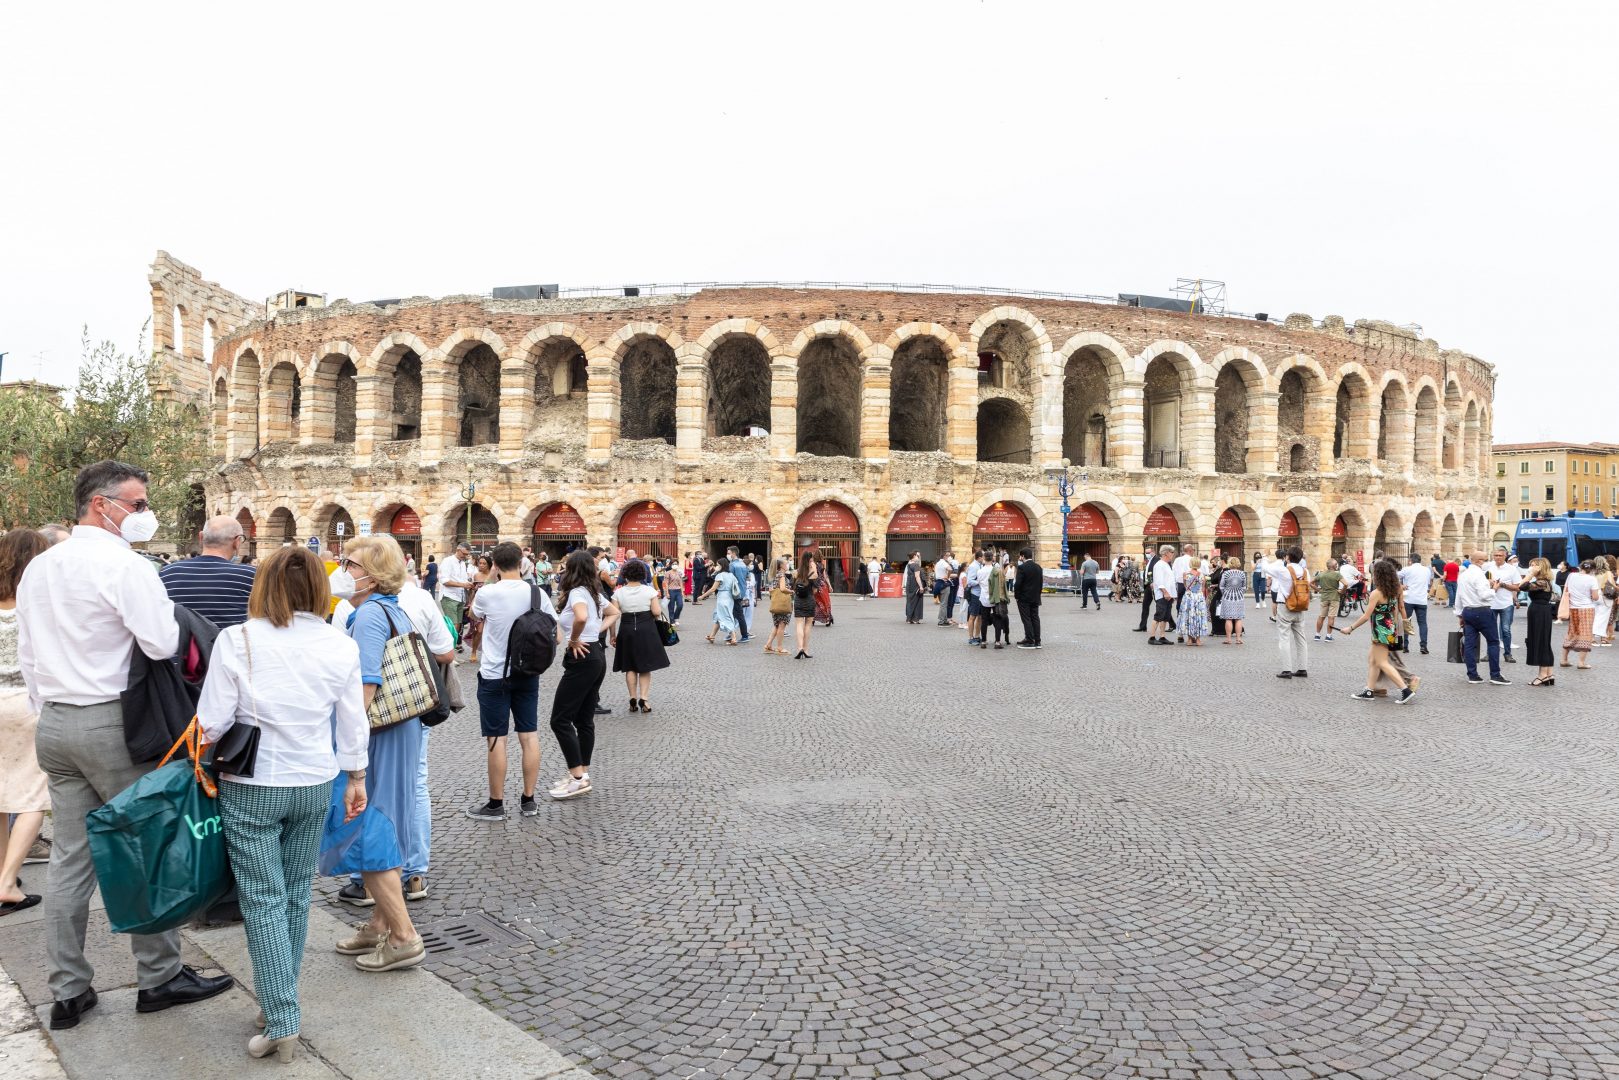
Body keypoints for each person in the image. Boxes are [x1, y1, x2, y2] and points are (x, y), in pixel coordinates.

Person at [17, 461, 234, 1027]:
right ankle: (159, 976)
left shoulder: (40, 566)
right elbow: (162, 642)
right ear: (101, 504)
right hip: (114, 722)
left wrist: (50, 709)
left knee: (70, 859)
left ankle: (68, 989)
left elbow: (29, 655)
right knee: (147, 844)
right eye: (137, 505)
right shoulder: (125, 565)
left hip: (57, 721)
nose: (145, 514)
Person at [194, 546, 369, 1060]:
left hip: (252, 783)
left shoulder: (238, 639)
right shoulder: (339, 644)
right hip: (314, 780)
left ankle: (281, 1017)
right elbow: (352, 720)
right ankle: (279, 999)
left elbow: (213, 721)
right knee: (294, 894)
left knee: (262, 899)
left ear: (264, 584)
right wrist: (356, 776)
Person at [330, 535, 426, 970]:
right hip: (399, 728)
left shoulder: (369, 614)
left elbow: (366, 683)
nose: (342, 570)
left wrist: (352, 742)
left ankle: (403, 937)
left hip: (378, 732)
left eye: (349, 564)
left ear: (371, 574)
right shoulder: (391, 608)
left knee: (370, 824)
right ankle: (378, 925)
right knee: (386, 819)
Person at [465, 542, 555, 822]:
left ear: (494, 565)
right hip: (527, 673)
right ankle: (529, 800)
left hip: (495, 674)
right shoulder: (537, 593)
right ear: (522, 563)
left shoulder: (488, 592)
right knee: (529, 736)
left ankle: (496, 804)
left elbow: (473, 615)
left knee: (496, 739)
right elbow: (555, 631)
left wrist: (490, 579)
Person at [1, 529, 51, 918]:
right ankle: (6, 882)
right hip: (24, 703)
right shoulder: (37, 604)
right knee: (33, 794)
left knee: (0, 796)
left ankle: (5, 878)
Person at [549, 550, 620, 801]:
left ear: (572, 570)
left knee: (560, 720)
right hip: (596, 654)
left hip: (582, 656)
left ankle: (577, 777)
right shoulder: (593, 593)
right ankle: (582, 774)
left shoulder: (578, 593)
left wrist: (575, 638)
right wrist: (596, 631)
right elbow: (614, 613)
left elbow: (581, 617)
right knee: (584, 719)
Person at [157, 515, 256, 628]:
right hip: (230, 639)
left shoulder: (168, 573)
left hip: (181, 639)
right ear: (237, 542)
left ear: (201, 537)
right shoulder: (251, 576)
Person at [1341, 557, 1414, 703]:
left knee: (1381, 663)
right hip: (1389, 628)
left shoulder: (1376, 593)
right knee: (1373, 660)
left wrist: (1350, 628)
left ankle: (1405, 690)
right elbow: (1398, 609)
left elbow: (1366, 616)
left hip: (1381, 630)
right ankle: (1369, 690)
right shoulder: (1396, 589)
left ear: (1378, 575)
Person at [612, 559, 669, 711]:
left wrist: (612, 634)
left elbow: (613, 615)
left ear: (625, 574)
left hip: (626, 628)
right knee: (645, 665)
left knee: (629, 665)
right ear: (642, 574)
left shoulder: (618, 593)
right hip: (646, 628)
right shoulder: (649, 591)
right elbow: (656, 612)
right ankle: (644, 698)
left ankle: (632, 697)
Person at [1454, 548, 1509, 686]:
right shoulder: (1479, 575)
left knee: (1470, 644)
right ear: (1479, 561)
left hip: (1467, 611)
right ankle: (1495, 675)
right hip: (1482, 610)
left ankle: (1472, 675)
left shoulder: (1463, 575)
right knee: (1493, 642)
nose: (1487, 562)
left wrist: (1459, 614)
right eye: (1486, 560)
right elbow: (1484, 595)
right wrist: (1494, 588)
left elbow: (1458, 596)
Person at [1271, 545, 1309, 679]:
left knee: (1284, 638)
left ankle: (1287, 669)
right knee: (1301, 638)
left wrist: (1263, 559)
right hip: (1300, 606)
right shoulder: (1305, 571)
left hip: (1285, 606)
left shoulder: (1284, 570)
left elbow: (1267, 569)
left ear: (1287, 557)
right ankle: (1302, 668)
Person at [1522, 558, 1558, 686]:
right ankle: (1549, 673)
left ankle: (1542, 675)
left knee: (1541, 641)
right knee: (1544, 641)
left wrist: (1530, 574)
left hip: (1540, 612)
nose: (1531, 567)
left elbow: (1522, 586)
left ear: (1541, 567)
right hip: (1540, 611)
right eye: (1530, 565)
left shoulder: (1542, 582)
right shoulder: (1543, 581)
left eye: (1534, 565)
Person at [1561, 559, 1602, 670]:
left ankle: (1564, 659)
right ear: (1593, 569)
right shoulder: (1592, 579)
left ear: (1581, 567)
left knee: (1571, 632)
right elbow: (1595, 597)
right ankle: (1581, 662)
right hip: (1587, 608)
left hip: (1573, 608)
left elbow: (1567, 590)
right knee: (1586, 634)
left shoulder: (1571, 576)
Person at [1490, 546, 1524, 664]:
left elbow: (1518, 587)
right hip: (1491, 603)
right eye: (1496, 555)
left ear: (1505, 556)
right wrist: (1490, 584)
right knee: (1490, 630)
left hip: (1506, 603)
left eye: (1500, 555)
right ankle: (1490, 653)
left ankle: (1508, 654)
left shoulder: (1512, 569)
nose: (1498, 557)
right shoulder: (1488, 568)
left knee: (1506, 630)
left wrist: (1503, 585)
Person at [1398, 553, 1433, 655]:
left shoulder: (1407, 569)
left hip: (1409, 599)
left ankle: (1405, 646)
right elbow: (1428, 583)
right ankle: (1423, 645)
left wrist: (1401, 585)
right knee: (1422, 623)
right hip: (1422, 600)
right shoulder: (1427, 570)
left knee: (1406, 621)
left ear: (1410, 560)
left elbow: (1394, 576)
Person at [699, 561, 741, 645]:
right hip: (730, 598)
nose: (716, 566)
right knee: (719, 616)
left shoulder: (720, 575)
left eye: (718, 565)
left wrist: (702, 596)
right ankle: (712, 636)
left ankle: (733, 638)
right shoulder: (731, 575)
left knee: (726, 617)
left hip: (722, 597)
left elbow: (713, 589)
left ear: (722, 566)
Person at [792, 549, 821, 659]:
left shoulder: (796, 573)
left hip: (798, 601)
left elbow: (793, 587)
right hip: (809, 600)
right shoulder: (813, 574)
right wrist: (814, 568)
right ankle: (805, 649)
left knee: (799, 624)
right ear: (810, 560)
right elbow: (815, 590)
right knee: (808, 624)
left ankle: (799, 648)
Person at [463, 553, 492, 663]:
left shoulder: (494, 576)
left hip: (490, 606)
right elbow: (472, 592)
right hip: (477, 605)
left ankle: (488, 652)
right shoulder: (476, 576)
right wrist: (469, 605)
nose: (481, 565)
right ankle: (474, 651)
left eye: (484, 563)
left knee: (489, 631)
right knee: (479, 630)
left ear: (489, 565)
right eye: (480, 563)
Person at [437, 544, 473, 636]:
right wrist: (463, 585)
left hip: (460, 597)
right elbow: (444, 581)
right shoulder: (447, 561)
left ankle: (452, 643)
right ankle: (449, 643)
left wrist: (469, 584)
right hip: (449, 596)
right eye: (464, 554)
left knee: (458, 625)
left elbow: (462, 580)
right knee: (453, 625)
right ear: (458, 550)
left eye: (467, 554)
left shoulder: (463, 563)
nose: (465, 556)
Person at [1013, 548, 1043, 649]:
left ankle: (1030, 640)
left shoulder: (1022, 567)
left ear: (1023, 556)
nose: (1020, 558)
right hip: (1035, 597)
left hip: (1024, 598)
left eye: (1020, 556)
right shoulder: (1038, 567)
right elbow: (1041, 583)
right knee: (1035, 618)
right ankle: (1037, 641)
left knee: (1026, 619)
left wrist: (1017, 596)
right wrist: (1038, 594)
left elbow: (1018, 584)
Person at [762, 556, 792, 655]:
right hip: (782, 604)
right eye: (786, 563)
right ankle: (779, 647)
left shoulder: (775, 575)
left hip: (776, 603)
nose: (787, 564)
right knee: (781, 626)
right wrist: (791, 591)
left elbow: (772, 589)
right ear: (781, 565)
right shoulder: (782, 575)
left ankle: (768, 645)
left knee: (777, 625)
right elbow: (782, 588)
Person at [1148, 544, 1177, 645]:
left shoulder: (1166, 564)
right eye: (1172, 552)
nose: (1173, 554)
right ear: (1166, 553)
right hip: (1162, 595)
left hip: (1169, 595)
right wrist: (1165, 592)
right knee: (1158, 616)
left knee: (1165, 617)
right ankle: (1152, 637)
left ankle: (1162, 636)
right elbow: (1159, 581)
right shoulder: (1159, 565)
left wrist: (1172, 594)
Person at [1179, 559, 1210, 646]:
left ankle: (1189, 639)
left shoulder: (1185, 574)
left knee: (1189, 616)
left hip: (1189, 596)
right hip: (1199, 597)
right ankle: (1198, 640)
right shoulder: (1202, 575)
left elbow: (1185, 585)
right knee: (1199, 617)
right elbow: (1203, 588)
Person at [1170, 543, 1197, 643]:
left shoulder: (1177, 560)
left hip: (1180, 585)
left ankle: (1180, 634)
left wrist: (1174, 589)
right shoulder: (1193, 560)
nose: (1193, 551)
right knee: (1192, 609)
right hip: (1192, 585)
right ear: (1190, 550)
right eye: (1193, 550)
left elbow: (1173, 573)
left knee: (1180, 608)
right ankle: (1192, 634)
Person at [1218, 557, 1246, 645]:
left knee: (1228, 618)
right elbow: (1244, 587)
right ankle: (1238, 639)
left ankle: (1228, 639)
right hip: (1239, 598)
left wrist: (1225, 593)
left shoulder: (1226, 574)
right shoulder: (1242, 574)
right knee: (1238, 618)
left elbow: (1221, 586)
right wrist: (1240, 593)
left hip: (1228, 597)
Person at [1313, 559, 1342, 641]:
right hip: (1334, 597)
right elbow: (1346, 584)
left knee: (1321, 616)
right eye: (1336, 564)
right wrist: (1342, 591)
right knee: (1331, 617)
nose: (1337, 565)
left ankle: (1317, 635)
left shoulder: (1321, 574)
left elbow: (1311, 583)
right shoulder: (1337, 574)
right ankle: (1328, 636)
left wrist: (1319, 590)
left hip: (1324, 597)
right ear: (1333, 566)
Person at [659, 557, 684, 627]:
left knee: (680, 605)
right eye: (673, 564)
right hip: (671, 590)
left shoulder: (679, 573)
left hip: (678, 591)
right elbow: (666, 583)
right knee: (671, 606)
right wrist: (667, 593)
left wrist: (682, 591)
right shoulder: (668, 573)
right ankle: (672, 621)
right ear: (671, 565)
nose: (675, 565)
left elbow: (681, 582)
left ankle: (675, 617)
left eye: (676, 564)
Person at [903, 552, 925, 624]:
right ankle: (916, 618)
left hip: (909, 584)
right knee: (917, 601)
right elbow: (917, 576)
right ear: (914, 556)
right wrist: (921, 586)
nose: (918, 557)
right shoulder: (916, 565)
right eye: (917, 556)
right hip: (915, 584)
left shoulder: (908, 565)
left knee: (910, 601)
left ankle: (909, 618)